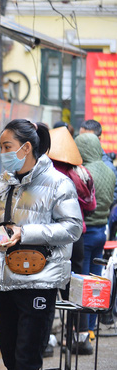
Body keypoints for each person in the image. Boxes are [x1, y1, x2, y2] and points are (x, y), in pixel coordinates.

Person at [0, 119, 82, 370]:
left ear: (26, 148)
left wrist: (26, 232)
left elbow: (73, 228)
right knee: (12, 362)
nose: (3, 153)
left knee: (26, 365)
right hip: (4, 282)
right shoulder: (5, 185)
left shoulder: (58, 183)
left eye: (7, 146)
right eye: (1, 147)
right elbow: (5, 236)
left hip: (38, 282)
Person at [43, 126, 96, 356]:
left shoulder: (48, 173)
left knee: (47, 287)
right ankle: (79, 338)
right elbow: (91, 206)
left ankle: (45, 341)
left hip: (53, 237)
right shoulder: (81, 173)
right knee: (73, 288)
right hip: (78, 237)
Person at [75, 132, 116, 351]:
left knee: (80, 282)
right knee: (95, 281)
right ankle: (90, 328)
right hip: (102, 231)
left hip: (85, 232)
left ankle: (80, 332)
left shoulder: (83, 172)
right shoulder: (110, 170)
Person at [79, 119, 117, 203]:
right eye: (80, 138)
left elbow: (112, 198)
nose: (82, 142)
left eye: (87, 139)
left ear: (99, 139)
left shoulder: (107, 166)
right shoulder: (76, 159)